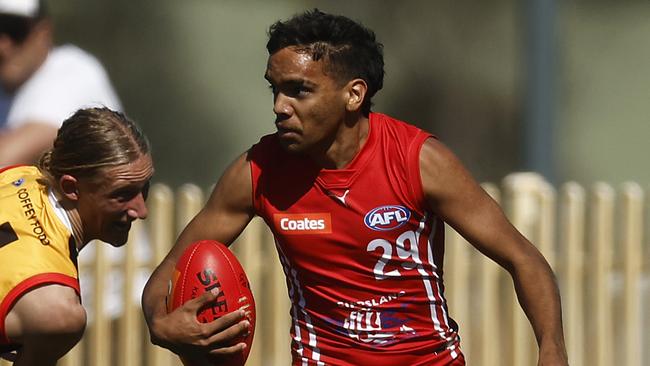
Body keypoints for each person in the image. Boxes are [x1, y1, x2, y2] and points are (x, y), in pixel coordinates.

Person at [142, 9, 568, 366]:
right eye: (275, 90)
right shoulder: (258, 171)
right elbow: (164, 280)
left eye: (299, 91)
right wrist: (161, 325)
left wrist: (552, 350)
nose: (279, 107)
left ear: (354, 95)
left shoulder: (418, 160)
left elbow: (523, 258)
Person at [0, 107, 153, 366]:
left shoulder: (17, 176)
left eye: (144, 187)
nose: (142, 211)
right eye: (123, 194)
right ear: (71, 187)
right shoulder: (59, 312)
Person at [0, 0, 121, 166]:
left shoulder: (73, 70)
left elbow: (7, 158)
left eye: (14, 30)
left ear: (43, 32)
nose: (3, 45)